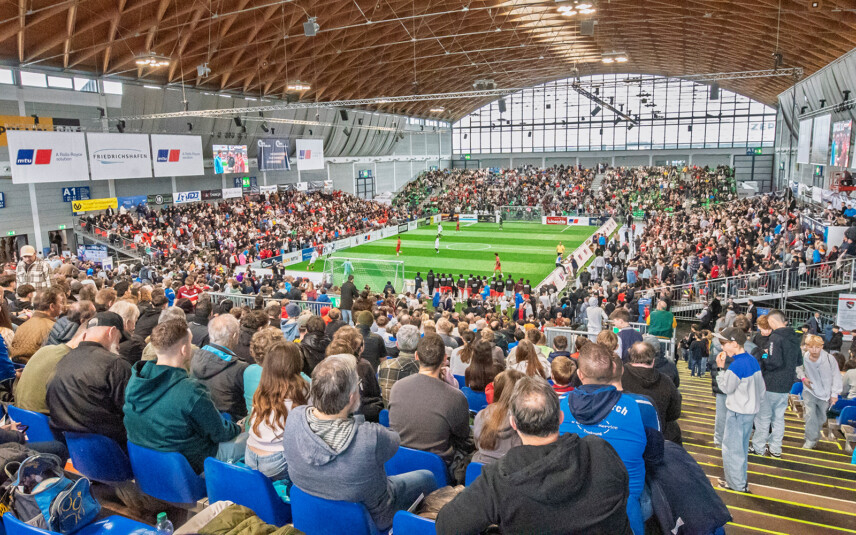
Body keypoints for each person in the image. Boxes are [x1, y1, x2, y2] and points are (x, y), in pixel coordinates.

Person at [437, 376, 632, 535]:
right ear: (560, 417)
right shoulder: (600, 450)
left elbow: (446, 526)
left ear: (514, 424)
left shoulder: (498, 479)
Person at [282, 355, 438, 532]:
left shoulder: (294, 417)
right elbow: (395, 440)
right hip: (376, 516)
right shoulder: (371, 437)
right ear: (351, 398)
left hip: (312, 512)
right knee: (428, 477)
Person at [123, 319, 243, 473]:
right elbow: (220, 434)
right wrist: (239, 428)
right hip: (190, 466)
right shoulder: (191, 390)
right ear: (184, 349)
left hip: (147, 464)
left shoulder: (135, 380)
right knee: (248, 441)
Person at [560, 342, 652, 535]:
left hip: (572, 507)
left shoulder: (559, 406)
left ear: (580, 374)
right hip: (625, 510)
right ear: (613, 372)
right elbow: (654, 452)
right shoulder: (636, 406)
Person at [389, 334, 472, 483]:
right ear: (444, 359)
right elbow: (463, 436)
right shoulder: (455, 397)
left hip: (400, 466)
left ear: (416, 356)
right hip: (438, 470)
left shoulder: (397, 387)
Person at [46, 313, 132, 445]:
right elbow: (131, 410)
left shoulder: (63, 360)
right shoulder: (116, 364)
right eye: (119, 339)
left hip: (69, 444)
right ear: (112, 332)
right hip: (109, 446)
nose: (119, 345)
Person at [246, 340, 309, 481]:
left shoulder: (261, 389)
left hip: (250, 454)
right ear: (296, 362)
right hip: (278, 460)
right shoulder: (303, 389)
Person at [714, 327, 765, 492]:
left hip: (737, 413)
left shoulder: (736, 365)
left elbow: (726, 388)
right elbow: (762, 389)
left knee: (732, 450)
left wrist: (720, 368)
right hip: (749, 412)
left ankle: (736, 485)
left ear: (734, 343)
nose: (722, 347)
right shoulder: (752, 360)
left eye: (724, 343)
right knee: (741, 449)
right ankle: (739, 481)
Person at [751, 309, 801, 458]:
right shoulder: (795, 337)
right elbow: (799, 361)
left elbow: (773, 362)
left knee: (763, 417)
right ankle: (775, 449)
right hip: (786, 385)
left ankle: (759, 447)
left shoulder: (775, 337)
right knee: (778, 418)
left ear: (772, 321)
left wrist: (764, 354)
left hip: (771, 383)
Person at [14, 317, 89, 414]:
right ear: (84, 337)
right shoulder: (72, 362)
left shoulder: (44, 350)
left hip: (17, 415)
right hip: (43, 420)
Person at [190, 314, 250, 420]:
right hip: (232, 424)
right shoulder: (240, 368)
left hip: (199, 419)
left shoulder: (194, 355)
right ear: (234, 336)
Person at [621, 341, 683, 444]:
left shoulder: (619, 377)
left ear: (630, 357)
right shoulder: (666, 382)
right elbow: (674, 413)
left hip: (625, 434)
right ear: (653, 360)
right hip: (657, 437)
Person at [797, 335, 842, 449]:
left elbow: (836, 376)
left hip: (825, 393)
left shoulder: (829, 359)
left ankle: (815, 437)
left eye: (817, 347)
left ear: (822, 346)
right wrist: (803, 378)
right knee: (810, 415)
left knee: (821, 418)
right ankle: (810, 439)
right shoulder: (803, 357)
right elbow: (798, 368)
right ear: (806, 346)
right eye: (811, 347)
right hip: (809, 391)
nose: (814, 350)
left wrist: (834, 394)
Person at [472, 370, 525, 464]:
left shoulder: (481, 415)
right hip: (511, 469)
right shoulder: (525, 421)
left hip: (480, 467)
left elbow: (477, 445)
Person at [10, 287, 65, 363]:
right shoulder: (53, 328)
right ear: (52, 306)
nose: (63, 306)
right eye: (61, 302)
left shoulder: (22, 326)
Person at [378, 324, 420, 404]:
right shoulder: (424, 369)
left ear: (397, 344)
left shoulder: (384, 366)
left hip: (390, 410)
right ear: (419, 345)